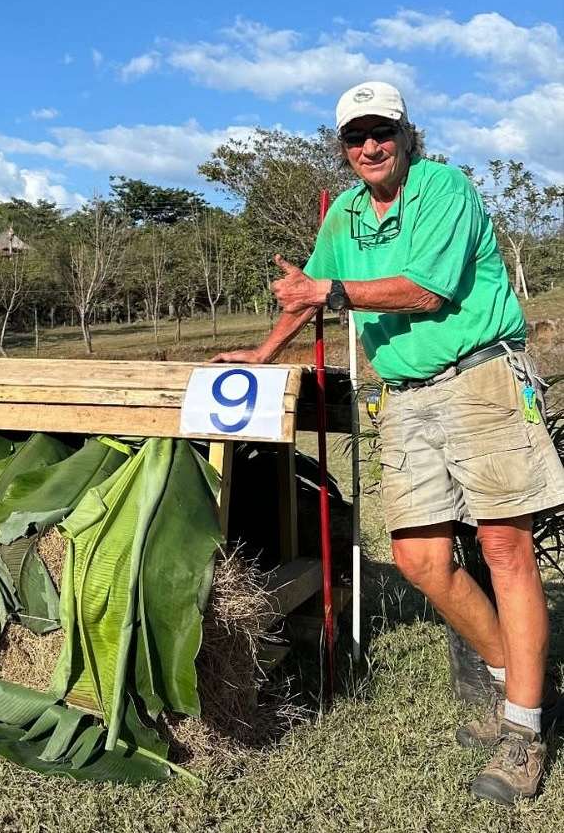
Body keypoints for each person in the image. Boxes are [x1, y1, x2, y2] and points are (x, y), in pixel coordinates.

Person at [211, 80, 564, 804]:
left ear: (407, 137)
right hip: (403, 396)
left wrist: (330, 294)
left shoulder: (444, 188)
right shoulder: (343, 212)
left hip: (481, 378)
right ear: (342, 148)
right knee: (418, 558)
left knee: (504, 548)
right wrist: (263, 350)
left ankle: (522, 731)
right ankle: (519, 684)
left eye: (382, 132)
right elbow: (307, 286)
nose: (369, 146)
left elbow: (425, 291)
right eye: (354, 136)